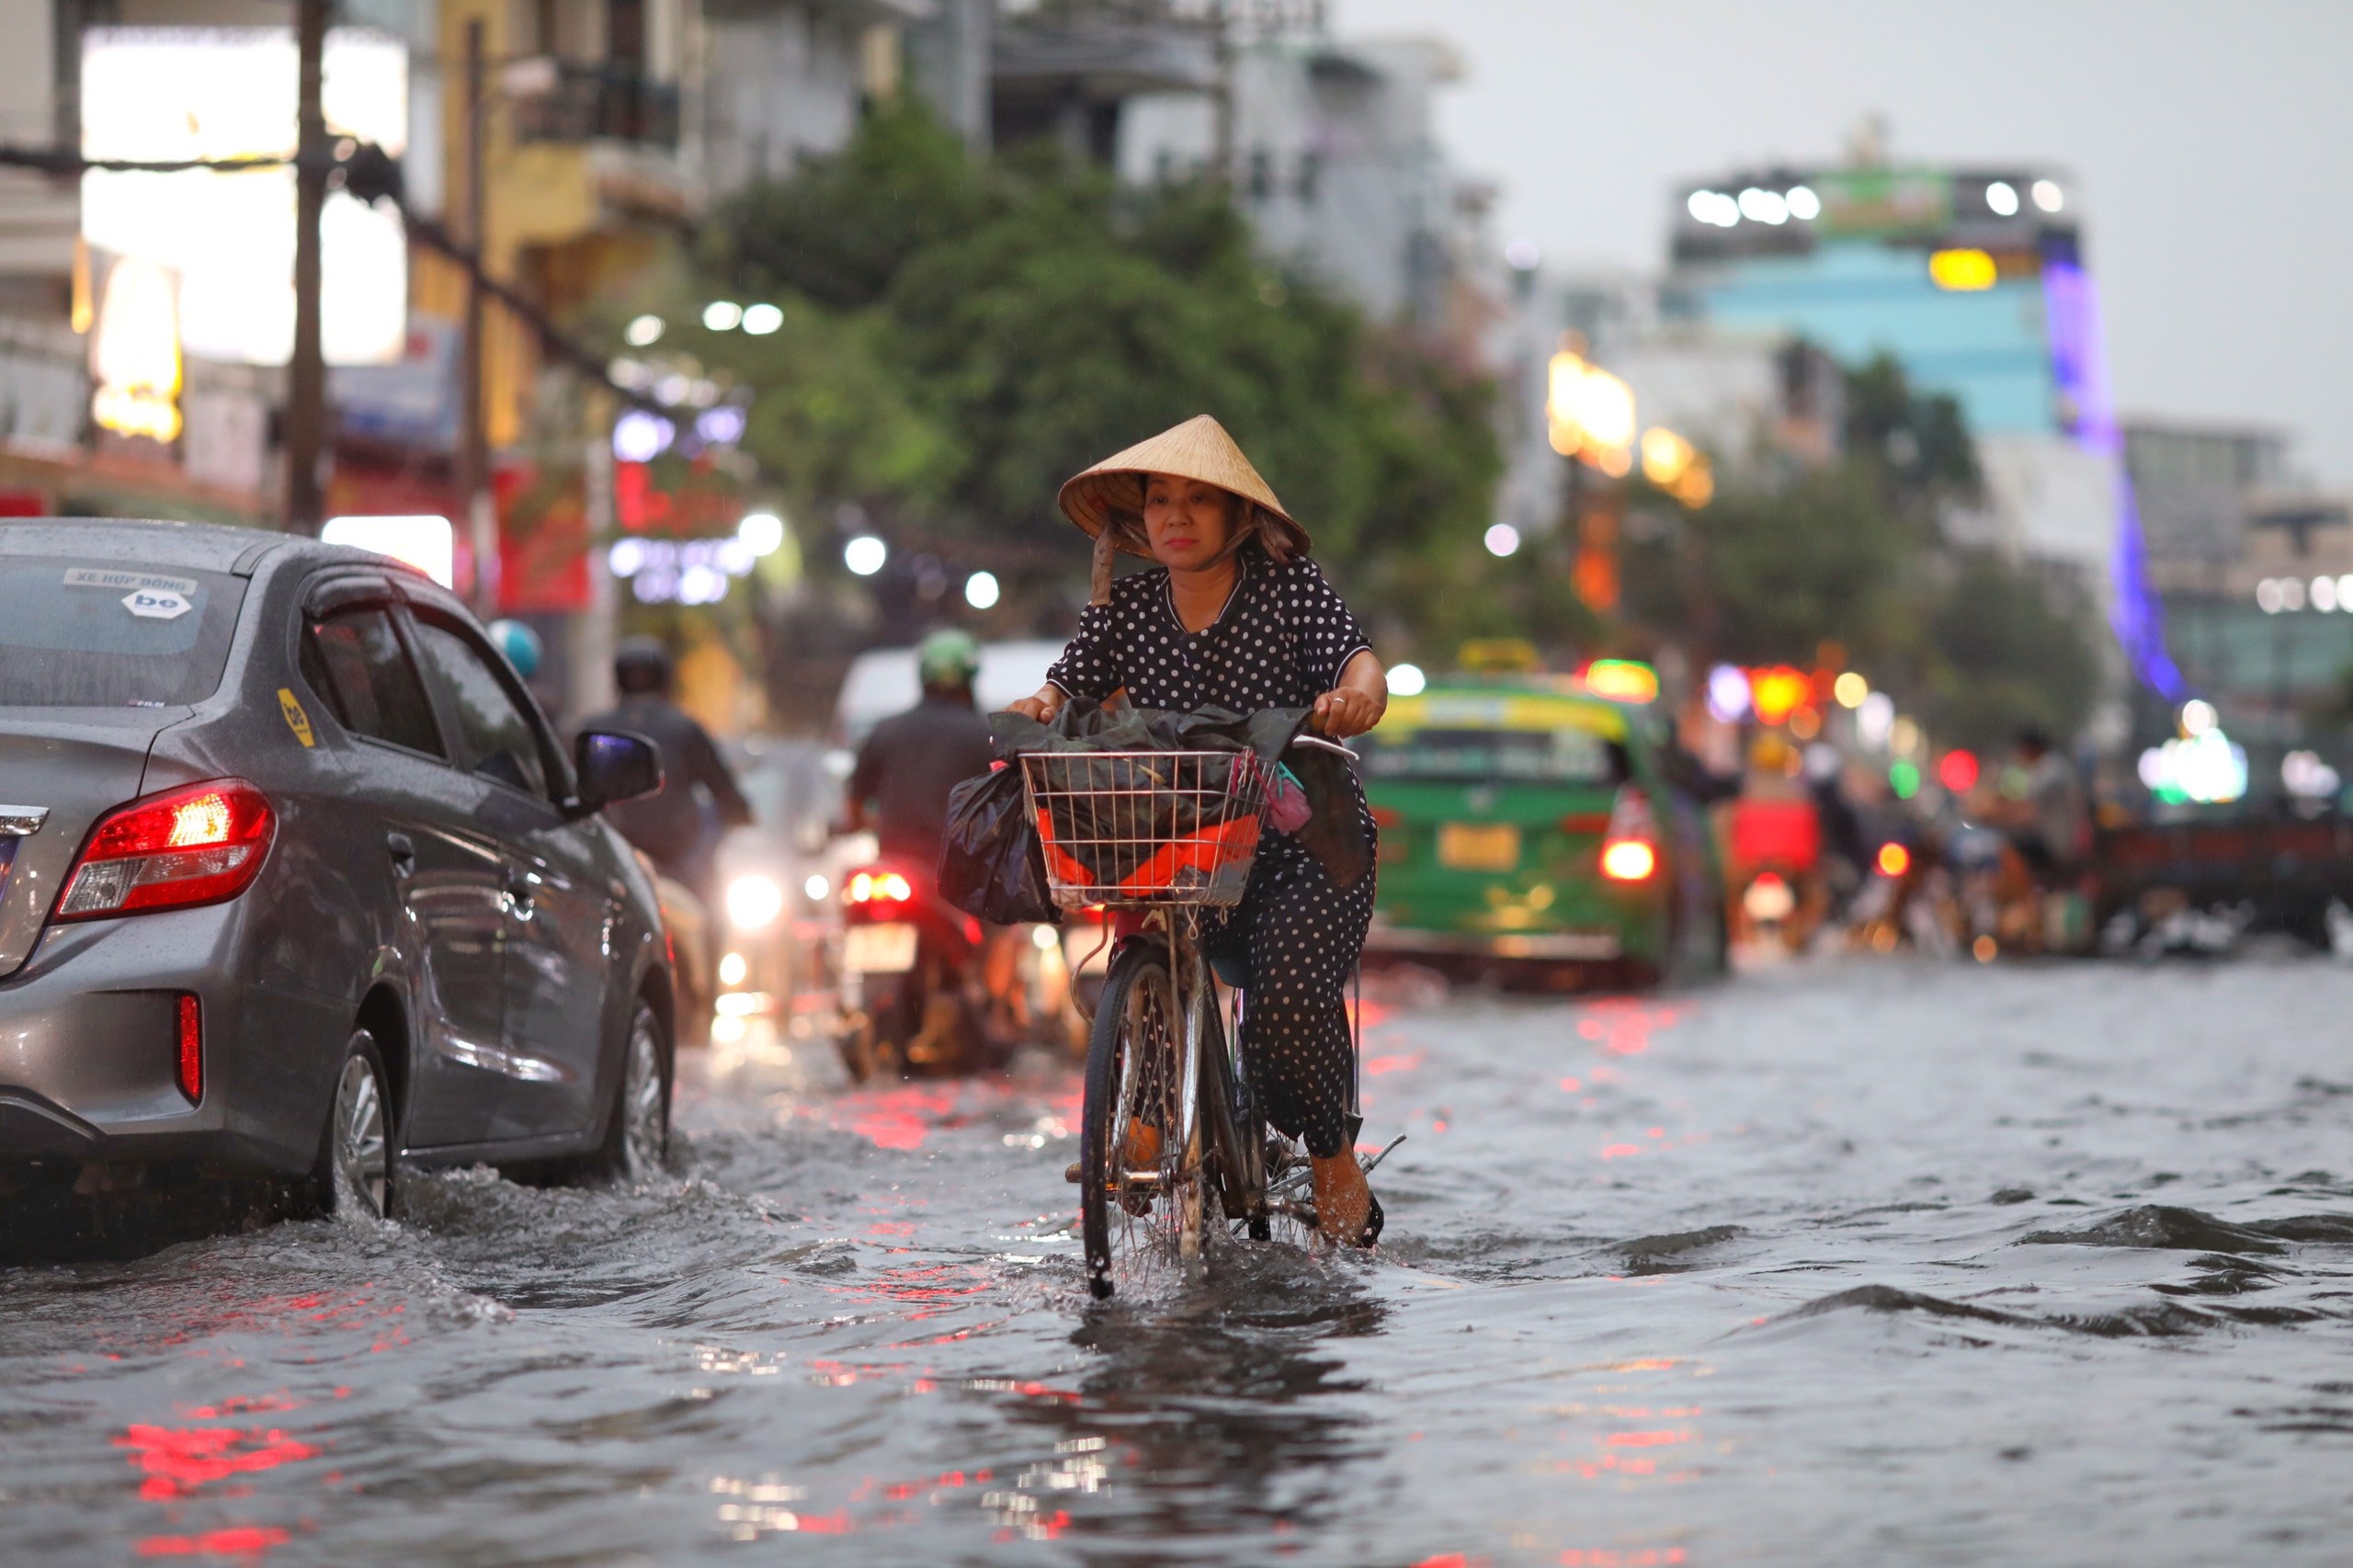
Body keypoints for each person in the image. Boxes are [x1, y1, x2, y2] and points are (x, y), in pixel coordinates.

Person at [1005, 414, 1391, 1247]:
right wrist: (1039, 706)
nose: (1174, 517)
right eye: (1158, 500)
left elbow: (1360, 661)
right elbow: (1063, 688)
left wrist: (1361, 692)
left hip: (1302, 852)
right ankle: (1147, 1100)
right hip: (1182, 847)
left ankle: (1328, 1151)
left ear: (1238, 517)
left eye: (1197, 501)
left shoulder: (1291, 591)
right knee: (1130, 948)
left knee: (1287, 1004)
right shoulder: (1125, 610)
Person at [581, 636, 755, 905]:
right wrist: (743, 813)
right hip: (679, 870)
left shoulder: (594, 729)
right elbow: (724, 790)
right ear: (666, 679)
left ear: (617, 679)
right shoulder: (686, 729)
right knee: (711, 916)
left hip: (609, 863)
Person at [844, 629, 997, 869]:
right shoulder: (987, 736)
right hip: (961, 873)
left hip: (894, 867)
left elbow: (855, 805)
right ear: (972, 675)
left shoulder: (885, 731)